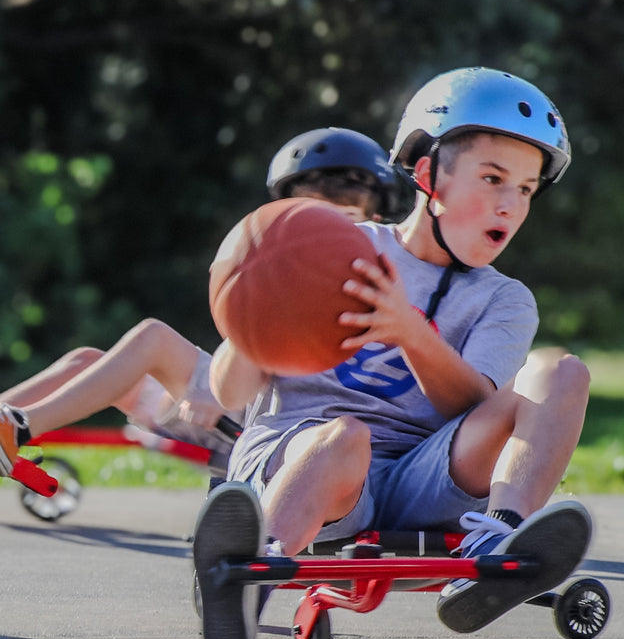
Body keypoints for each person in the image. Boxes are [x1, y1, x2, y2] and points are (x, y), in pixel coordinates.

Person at [193, 67, 593, 639]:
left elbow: (472, 406)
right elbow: (228, 394)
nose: (510, 204)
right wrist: (254, 317)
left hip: (421, 476)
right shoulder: (338, 247)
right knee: (344, 437)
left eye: (527, 189)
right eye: (492, 178)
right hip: (305, 461)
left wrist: (409, 331)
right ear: (428, 175)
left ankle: (500, 542)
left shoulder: (504, 299)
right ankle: (250, 572)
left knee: (562, 371)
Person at [0, 127, 409, 485]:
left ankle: (20, 429)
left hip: (287, 426)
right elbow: (250, 339)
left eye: (344, 219)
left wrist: (218, 389)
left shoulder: (381, 283)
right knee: (86, 361)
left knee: (155, 338)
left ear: (375, 221)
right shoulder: (290, 268)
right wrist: (216, 378)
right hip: (238, 393)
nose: (326, 232)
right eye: (311, 217)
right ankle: (6, 423)